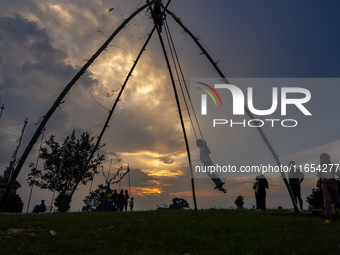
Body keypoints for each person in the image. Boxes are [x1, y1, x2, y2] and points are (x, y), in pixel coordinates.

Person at [316, 153, 340, 223]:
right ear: (321, 160)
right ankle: (327, 217)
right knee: (327, 200)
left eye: (326, 158)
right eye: (323, 158)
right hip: (325, 185)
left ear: (329, 159)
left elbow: (338, 173)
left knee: (337, 201)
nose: (325, 159)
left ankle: (334, 206)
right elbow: (320, 178)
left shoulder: (333, 167)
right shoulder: (320, 168)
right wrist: (320, 186)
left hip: (333, 184)